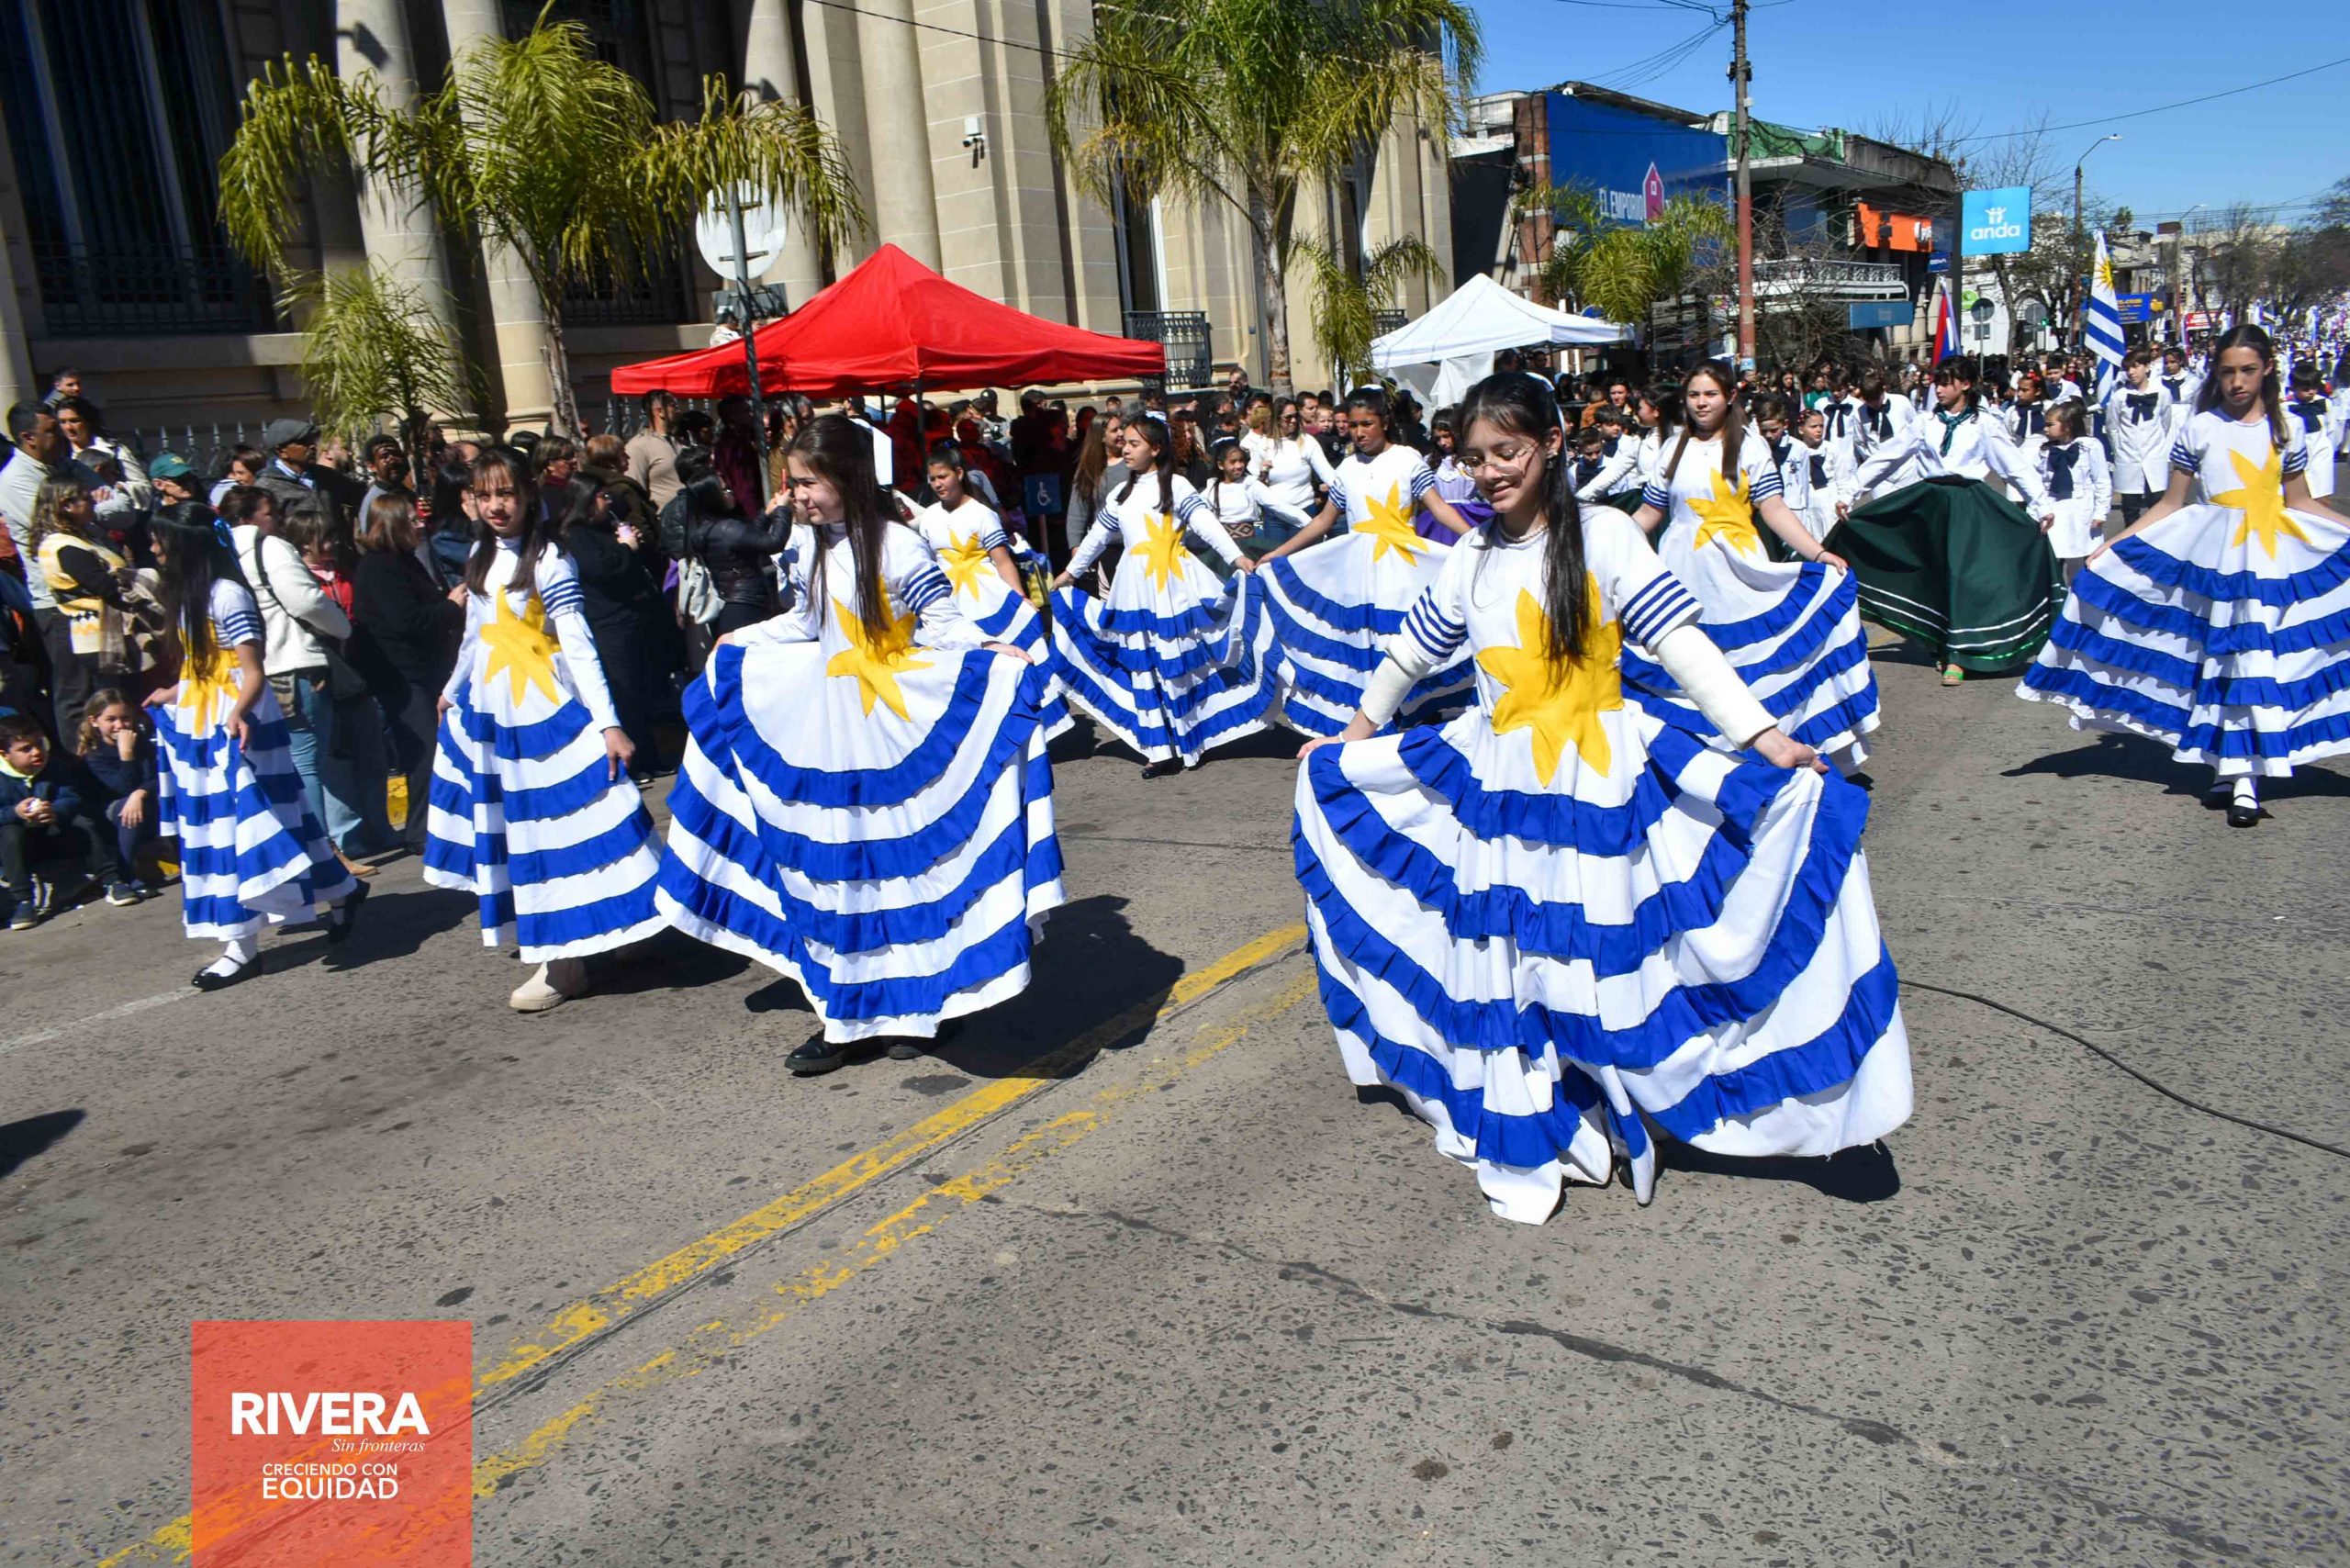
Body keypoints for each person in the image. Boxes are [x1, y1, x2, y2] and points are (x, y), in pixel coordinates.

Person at [1291, 371, 1910, 1222]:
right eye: (1473, 458)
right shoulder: (1471, 554)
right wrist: (1354, 736)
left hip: (1598, 781)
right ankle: (1548, 1091)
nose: (1489, 472)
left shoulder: (1607, 533)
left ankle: (1627, 1091)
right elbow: (1409, 654)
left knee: (1598, 952)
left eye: (1506, 452)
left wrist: (1766, 740)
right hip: (1502, 789)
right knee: (1519, 954)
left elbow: (1684, 647)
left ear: (1550, 444)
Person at [655, 415, 1064, 1074]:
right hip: (830, 735)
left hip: (892, 735)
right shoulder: (809, 545)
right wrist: (741, 639)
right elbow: (808, 622)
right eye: (792, 483)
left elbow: (942, 624)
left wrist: (992, 650)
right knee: (842, 876)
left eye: (806, 483)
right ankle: (846, 1020)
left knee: (904, 872)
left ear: (846, 478)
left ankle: (916, 1011)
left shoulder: (900, 545)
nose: (795, 496)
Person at [2020, 324, 2350, 829]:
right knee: (2213, 661)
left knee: (2254, 664)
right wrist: (2116, 543)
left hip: (2268, 559)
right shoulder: (2199, 428)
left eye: (2248, 371)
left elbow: (2302, 501)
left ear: (2267, 370)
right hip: (2214, 558)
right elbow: (2172, 503)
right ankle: (2224, 766)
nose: (2237, 382)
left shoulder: (2287, 428)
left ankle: (2244, 779)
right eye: (2228, 372)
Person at [422, 447, 664, 1011]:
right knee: (518, 833)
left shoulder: (551, 558)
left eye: (506, 493)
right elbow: (474, 635)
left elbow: (578, 644)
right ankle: (580, 946)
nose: (496, 505)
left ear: (529, 494)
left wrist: (608, 723)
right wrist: (452, 688)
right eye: (485, 495)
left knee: (561, 828)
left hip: (543, 711)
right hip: (493, 713)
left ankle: (569, 957)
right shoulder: (480, 554)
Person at [145, 500, 364, 985]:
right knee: (275, 820)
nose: (155, 548)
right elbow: (202, 668)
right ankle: (341, 890)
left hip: (239, 724)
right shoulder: (191, 597)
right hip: (210, 719)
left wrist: (239, 712)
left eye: (162, 540)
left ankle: (240, 946)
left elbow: (252, 671)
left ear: (187, 545)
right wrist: (172, 693)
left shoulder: (228, 595)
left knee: (241, 828)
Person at [1624, 361, 1881, 773]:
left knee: (1754, 665)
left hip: (1739, 571)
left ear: (1730, 397)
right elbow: (1650, 513)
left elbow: (1773, 508)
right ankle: (1707, 766)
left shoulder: (1750, 445)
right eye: (1694, 395)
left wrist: (1818, 554)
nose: (1701, 403)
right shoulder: (1672, 448)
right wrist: (1606, 545)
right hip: (1680, 572)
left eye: (1710, 394)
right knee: (1688, 668)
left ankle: (1769, 756)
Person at [1048, 415, 1271, 776]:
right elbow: (1096, 537)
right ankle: (1158, 748)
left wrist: (1236, 558)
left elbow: (1206, 525)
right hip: (1134, 589)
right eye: (1124, 442)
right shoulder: (1121, 494)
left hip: (1173, 584)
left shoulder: (1176, 485)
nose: (1125, 448)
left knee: (1176, 660)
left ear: (1155, 449)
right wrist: (1070, 573)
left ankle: (1189, 740)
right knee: (1143, 664)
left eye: (1133, 443)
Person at [1253, 388, 1475, 737]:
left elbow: (1439, 508)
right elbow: (1323, 521)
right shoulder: (1347, 468)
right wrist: (1278, 554)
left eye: (1367, 424)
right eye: (1354, 425)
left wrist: (1476, 540)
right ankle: (1368, 729)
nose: (1359, 432)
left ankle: (1407, 724)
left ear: (1384, 422)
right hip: (1358, 578)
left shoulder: (1407, 460)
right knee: (1365, 650)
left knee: (1402, 649)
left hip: (1402, 575)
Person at [1831, 354, 2062, 688]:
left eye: (1945, 383)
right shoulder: (1925, 422)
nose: (1937, 389)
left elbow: (2013, 465)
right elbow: (1888, 456)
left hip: (1969, 506)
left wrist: (2040, 502)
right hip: (1930, 505)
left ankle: (1958, 654)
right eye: (1936, 383)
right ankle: (1941, 643)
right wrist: (1851, 491)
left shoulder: (1983, 424)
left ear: (1965, 385)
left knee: (1964, 576)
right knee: (1934, 575)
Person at [351, 493, 464, 857]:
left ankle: (439, 823)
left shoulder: (404, 561)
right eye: (412, 520)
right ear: (393, 525)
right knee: (422, 752)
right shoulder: (379, 568)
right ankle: (420, 831)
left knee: (433, 749)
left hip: (423, 672)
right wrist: (450, 607)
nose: (420, 525)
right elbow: (406, 621)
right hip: (401, 676)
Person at [552, 474, 669, 774]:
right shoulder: (576, 535)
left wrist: (630, 543)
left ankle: (649, 757)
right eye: (602, 497)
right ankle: (635, 761)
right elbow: (603, 568)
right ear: (587, 500)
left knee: (641, 690)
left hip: (632, 618)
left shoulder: (603, 527)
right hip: (609, 624)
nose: (608, 503)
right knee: (625, 693)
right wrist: (626, 548)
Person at [28, 475, 139, 743]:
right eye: (86, 499)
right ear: (66, 505)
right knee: (89, 699)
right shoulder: (64, 546)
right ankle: (90, 755)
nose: (93, 504)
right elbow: (104, 585)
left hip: (102, 631)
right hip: (88, 635)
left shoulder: (83, 536)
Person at [0, 709, 123, 926]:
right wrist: (15, 813)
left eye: (39, 744)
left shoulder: (54, 766)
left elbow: (72, 797)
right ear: (4, 754)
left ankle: (112, 880)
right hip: (25, 846)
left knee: (84, 822)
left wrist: (54, 810)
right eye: (25, 749)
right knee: (9, 833)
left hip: (58, 834)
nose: (36, 752)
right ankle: (23, 900)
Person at [679, 451, 792, 636]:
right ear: (712, 498)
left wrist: (766, 515)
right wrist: (782, 510)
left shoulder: (705, 528)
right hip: (747, 605)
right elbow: (773, 543)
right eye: (724, 490)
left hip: (731, 604)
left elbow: (748, 540)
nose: (730, 492)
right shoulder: (727, 528)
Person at [77, 689, 160, 903]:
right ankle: (125, 875)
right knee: (127, 810)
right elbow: (123, 788)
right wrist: (126, 755)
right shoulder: (94, 754)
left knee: (139, 804)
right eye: (111, 719)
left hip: (142, 802)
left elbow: (156, 777)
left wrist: (140, 793)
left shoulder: (141, 742)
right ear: (94, 721)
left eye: (125, 718)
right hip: (109, 811)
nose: (120, 725)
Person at [2037, 401, 2110, 587]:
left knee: (2082, 557)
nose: (2045, 429)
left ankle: (2081, 594)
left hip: (2081, 510)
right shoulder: (2045, 451)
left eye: (2050, 424)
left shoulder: (2090, 446)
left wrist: (2101, 512)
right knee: (2054, 555)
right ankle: (2057, 594)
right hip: (2055, 510)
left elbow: (2101, 481)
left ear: (2068, 425)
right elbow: (2040, 483)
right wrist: (2039, 510)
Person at [1200, 438, 1310, 555]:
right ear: (1221, 465)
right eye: (1233, 462)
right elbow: (1197, 513)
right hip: (1224, 548)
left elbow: (1278, 506)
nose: (1238, 466)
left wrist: (1310, 523)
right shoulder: (1212, 488)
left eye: (1241, 461)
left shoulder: (1250, 484)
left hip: (1250, 546)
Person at [2102, 348, 2174, 527]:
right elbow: (2112, 427)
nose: (2131, 372)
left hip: (2154, 455)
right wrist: (2120, 450)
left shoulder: (2162, 392)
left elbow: (2166, 422)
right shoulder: (2119, 397)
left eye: (2136, 367)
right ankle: (2131, 539)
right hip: (2128, 457)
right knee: (2130, 507)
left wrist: (2158, 446)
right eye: (2128, 368)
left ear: (2147, 367)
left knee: (2157, 503)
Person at [2285, 368, 2341, 503]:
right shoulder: (2286, 407)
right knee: (2300, 487)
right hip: (2299, 449)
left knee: (2322, 485)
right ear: (2294, 388)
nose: (2311, 392)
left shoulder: (2324, 403)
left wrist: (2330, 446)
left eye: (2314, 388)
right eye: (2305, 389)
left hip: (2320, 447)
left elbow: (2332, 427)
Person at [625, 390, 685, 511]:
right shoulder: (638, 446)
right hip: (665, 518)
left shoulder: (680, 442)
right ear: (660, 411)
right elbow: (635, 491)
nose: (678, 410)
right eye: (674, 406)